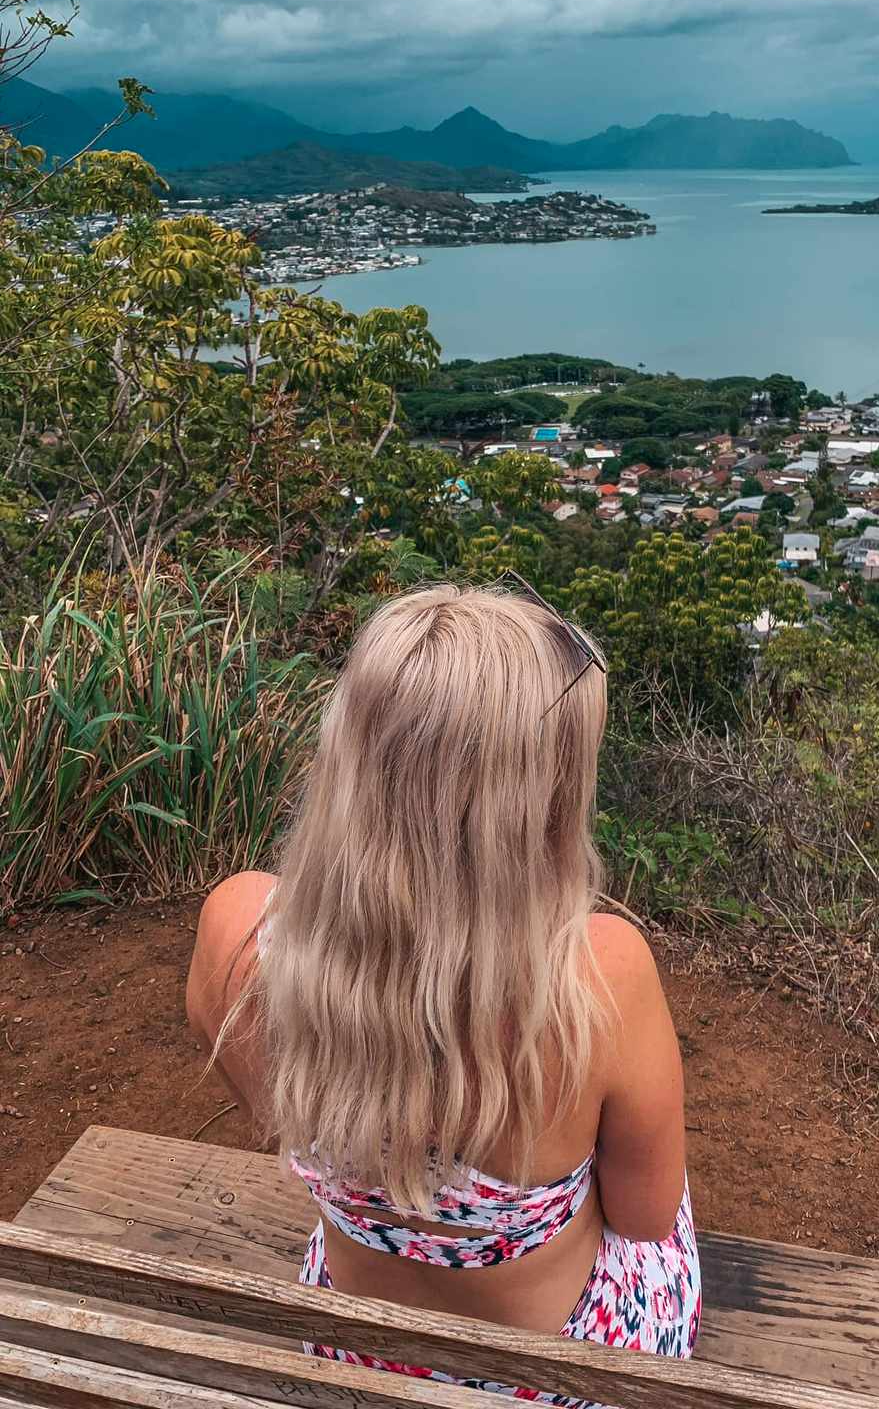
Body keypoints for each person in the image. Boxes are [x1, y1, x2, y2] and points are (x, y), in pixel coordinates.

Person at [186, 583, 701, 1401]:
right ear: (538, 795)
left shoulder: (239, 931)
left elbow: (281, 1113)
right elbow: (643, 1218)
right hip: (545, 1379)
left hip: (354, 1348)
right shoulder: (598, 980)